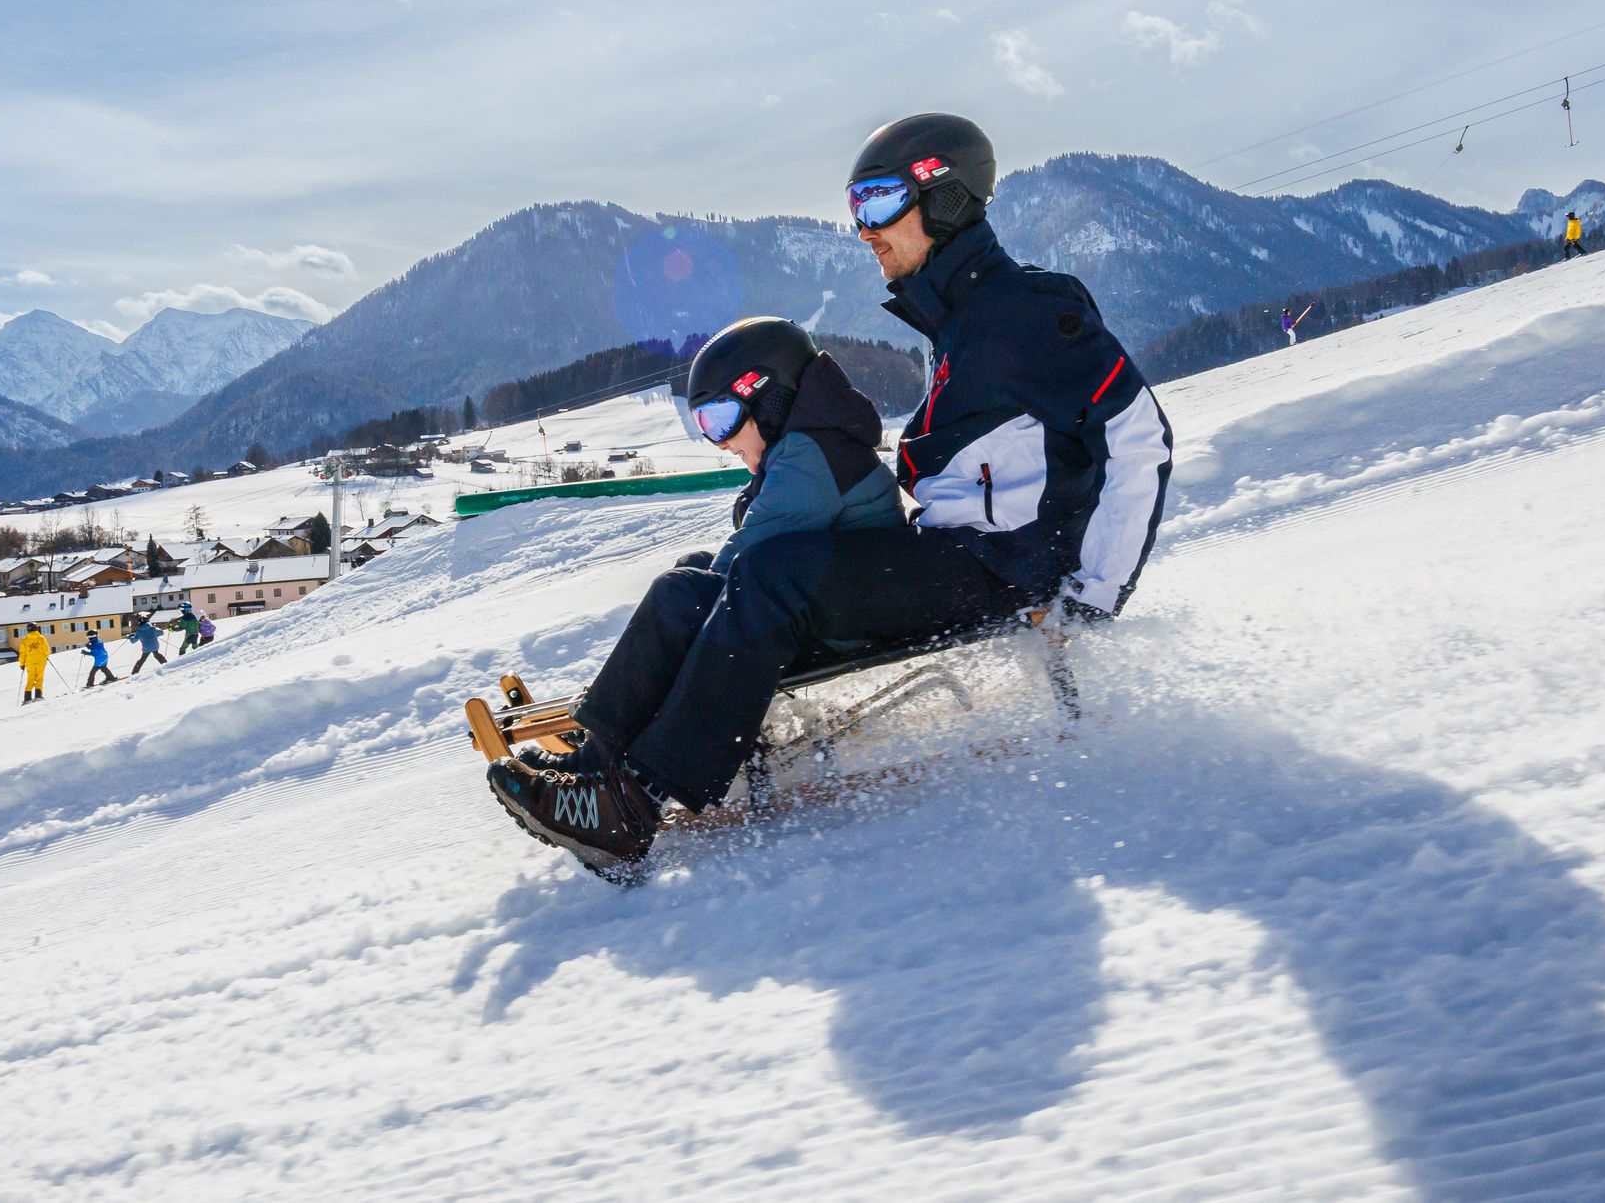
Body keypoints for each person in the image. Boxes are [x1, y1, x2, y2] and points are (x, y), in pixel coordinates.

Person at [488, 114, 1174, 877]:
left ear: (944, 197)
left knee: (775, 568)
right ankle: (592, 769)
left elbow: (1139, 440)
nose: (862, 230)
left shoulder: (1027, 310)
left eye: (878, 204)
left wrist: (1092, 596)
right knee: (690, 587)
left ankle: (636, 804)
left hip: (1005, 569)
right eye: (856, 210)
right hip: (946, 553)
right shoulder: (961, 326)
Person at [490, 315, 906, 812]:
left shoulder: (810, 455)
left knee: (680, 593)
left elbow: (749, 554)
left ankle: (616, 781)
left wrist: (676, 633)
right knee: (689, 574)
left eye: (722, 419)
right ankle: (597, 759)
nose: (721, 441)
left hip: (841, 615)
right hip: (825, 602)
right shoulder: (809, 444)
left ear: (768, 396)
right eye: (706, 426)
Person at [17, 628, 51, 704]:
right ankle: (38, 696)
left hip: (30, 663)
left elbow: (22, 653)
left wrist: (22, 664)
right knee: (39, 678)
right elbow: (46, 650)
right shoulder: (41, 638)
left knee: (30, 679)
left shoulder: (25, 640)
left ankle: (27, 698)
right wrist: (46, 656)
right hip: (40, 662)